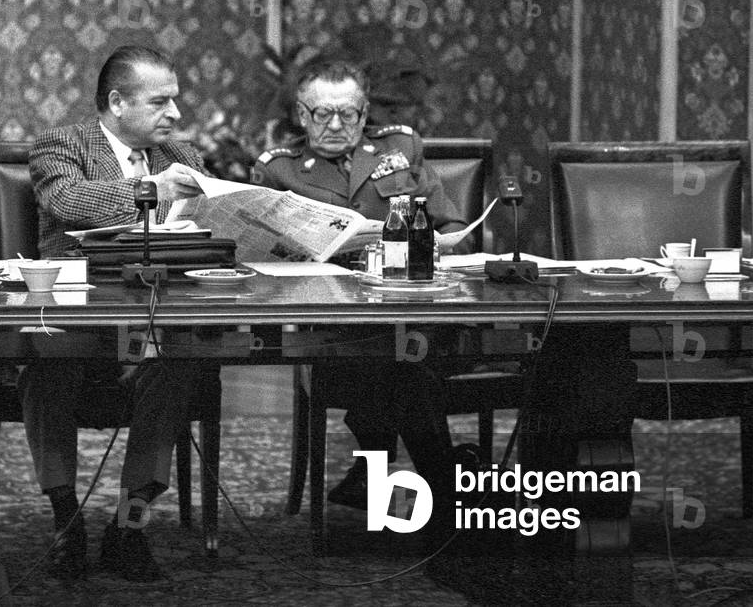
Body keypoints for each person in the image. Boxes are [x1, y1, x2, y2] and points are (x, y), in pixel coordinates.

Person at [24, 45, 209, 581]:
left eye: (175, 101)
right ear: (117, 102)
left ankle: (129, 526)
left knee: (178, 368)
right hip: (75, 321)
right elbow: (69, 202)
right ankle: (66, 520)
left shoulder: (183, 156)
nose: (175, 115)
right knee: (46, 362)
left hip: (156, 320)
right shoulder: (63, 144)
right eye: (160, 102)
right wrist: (148, 190)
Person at [252, 60, 468, 512]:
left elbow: (452, 225)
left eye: (347, 114)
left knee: (407, 356)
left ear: (365, 111)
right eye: (320, 114)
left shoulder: (400, 148)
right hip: (336, 331)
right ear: (301, 114)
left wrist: (440, 244)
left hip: (414, 308)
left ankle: (375, 474)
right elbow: (261, 259)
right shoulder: (280, 170)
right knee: (405, 366)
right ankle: (445, 488)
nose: (334, 125)